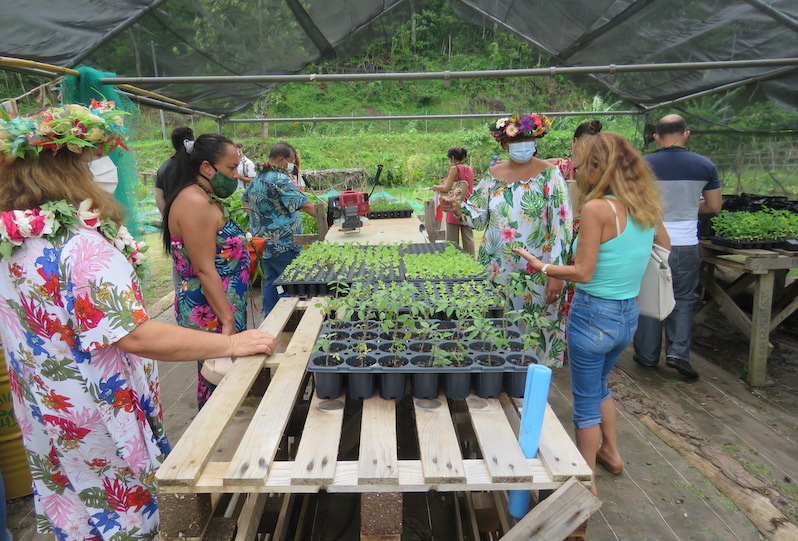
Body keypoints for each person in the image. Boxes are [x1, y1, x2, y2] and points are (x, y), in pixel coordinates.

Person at [0, 103, 276, 540]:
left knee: (76, 507)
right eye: (93, 159)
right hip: (95, 409)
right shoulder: (80, 248)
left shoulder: (14, 240)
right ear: (69, 170)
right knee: (124, 513)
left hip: (46, 406)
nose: (104, 170)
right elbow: (135, 334)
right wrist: (231, 344)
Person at [513, 132, 670, 494]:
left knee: (584, 403)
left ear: (598, 168)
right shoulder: (644, 204)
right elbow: (665, 245)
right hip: (628, 314)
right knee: (600, 386)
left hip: (594, 314)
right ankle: (612, 454)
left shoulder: (597, 208)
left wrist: (544, 267)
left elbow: (582, 272)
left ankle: (585, 482)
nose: (578, 171)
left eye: (582, 165)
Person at [441, 114, 573, 367]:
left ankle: (533, 382)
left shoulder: (550, 175)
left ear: (536, 140)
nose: (522, 145)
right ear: (504, 144)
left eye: (527, 139)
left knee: (536, 328)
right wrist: (457, 207)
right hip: (497, 269)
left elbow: (562, 226)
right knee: (498, 327)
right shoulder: (493, 175)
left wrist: (557, 273)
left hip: (538, 270)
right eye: (515, 141)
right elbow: (478, 217)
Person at [161, 133, 251, 410]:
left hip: (221, 303)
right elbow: (203, 268)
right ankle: (213, 440)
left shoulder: (204, 197)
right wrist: (226, 320)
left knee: (224, 377)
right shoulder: (194, 203)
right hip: (212, 309)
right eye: (231, 168)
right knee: (216, 378)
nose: (235, 175)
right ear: (206, 167)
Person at [633, 114, 722, 379]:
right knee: (683, 299)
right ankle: (678, 354)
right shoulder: (705, 165)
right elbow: (714, 206)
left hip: (650, 242)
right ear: (686, 134)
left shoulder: (643, 164)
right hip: (685, 244)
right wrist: (689, 207)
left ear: (656, 137)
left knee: (649, 296)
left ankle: (647, 356)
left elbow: (633, 203)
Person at [244, 142, 316, 316]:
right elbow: (305, 204)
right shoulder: (279, 179)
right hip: (283, 243)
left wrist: (259, 220)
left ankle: (269, 317)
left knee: (271, 280)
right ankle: (290, 317)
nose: (292, 166)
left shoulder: (258, 178)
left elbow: (245, 200)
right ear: (282, 160)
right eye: (291, 161)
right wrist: (328, 220)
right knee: (293, 281)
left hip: (262, 242)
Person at [431, 147, 475, 255]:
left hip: (454, 204)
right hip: (467, 205)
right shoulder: (469, 168)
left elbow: (446, 188)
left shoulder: (454, 169)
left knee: (452, 239)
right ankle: (471, 262)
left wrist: (435, 186)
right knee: (468, 237)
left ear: (452, 158)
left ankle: (453, 260)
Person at [155, 126, 194, 214]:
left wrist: (167, 218)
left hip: (174, 218)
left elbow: (158, 196)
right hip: (196, 215)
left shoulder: (164, 167)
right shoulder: (197, 164)